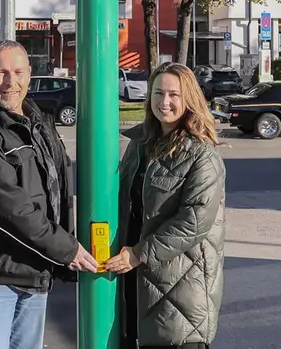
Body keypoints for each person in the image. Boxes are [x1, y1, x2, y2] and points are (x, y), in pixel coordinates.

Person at [0, 39, 99, 348]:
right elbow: (8, 208)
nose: (9, 82)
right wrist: (66, 249)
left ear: (29, 74)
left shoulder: (37, 121)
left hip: (33, 273)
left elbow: (55, 189)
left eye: (17, 72)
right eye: (0, 73)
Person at [105, 62, 227, 349]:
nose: (165, 102)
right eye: (158, 93)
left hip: (181, 291)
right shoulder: (140, 145)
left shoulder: (202, 155)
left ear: (190, 99)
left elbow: (193, 222)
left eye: (174, 95)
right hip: (136, 280)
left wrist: (139, 254)